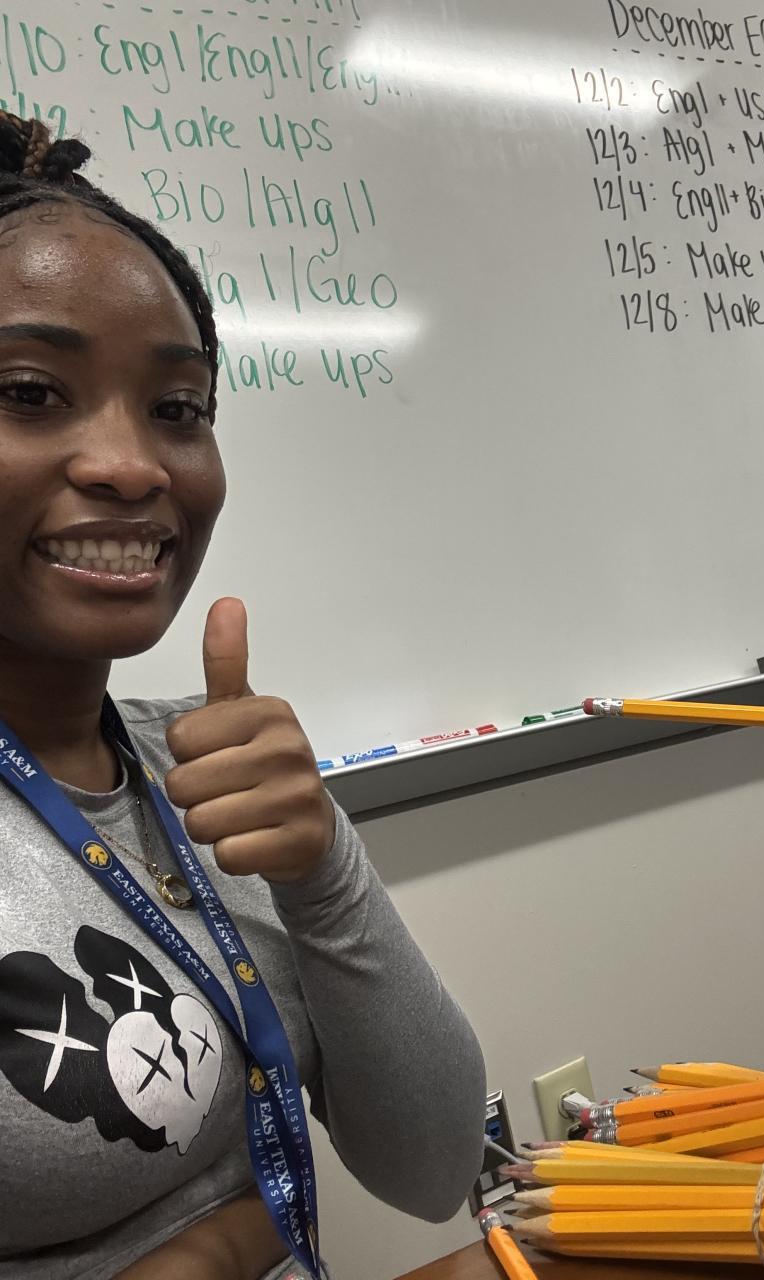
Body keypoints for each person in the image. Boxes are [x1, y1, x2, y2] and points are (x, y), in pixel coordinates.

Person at [0, 111, 486, 1279]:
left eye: (178, 409)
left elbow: (433, 1168)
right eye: (31, 390)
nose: (132, 464)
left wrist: (324, 870)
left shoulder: (210, 765)